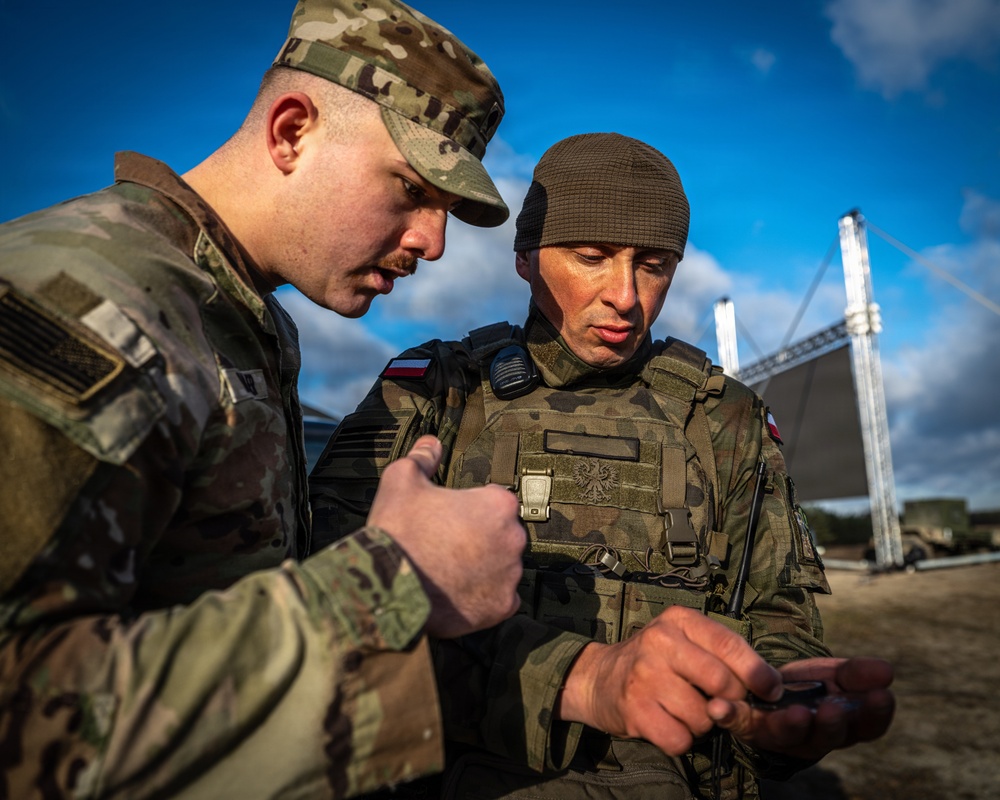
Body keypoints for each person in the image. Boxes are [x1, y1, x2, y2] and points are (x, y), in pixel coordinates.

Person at [0, 1, 529, 797]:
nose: (434, 241)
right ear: (291, 131)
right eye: (413, 189)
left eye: (447, 210)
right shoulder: (86, 296)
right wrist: (397, 582)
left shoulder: (246, 317)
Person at [308, 133, 896, 799]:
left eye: (654, 264)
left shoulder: (726, 418)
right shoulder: (433, 392)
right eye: (592, 257)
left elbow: (777, 620)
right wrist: (583, 680)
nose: (626, 295)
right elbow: (336, 630)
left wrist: (774, 710)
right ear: (526, 258)